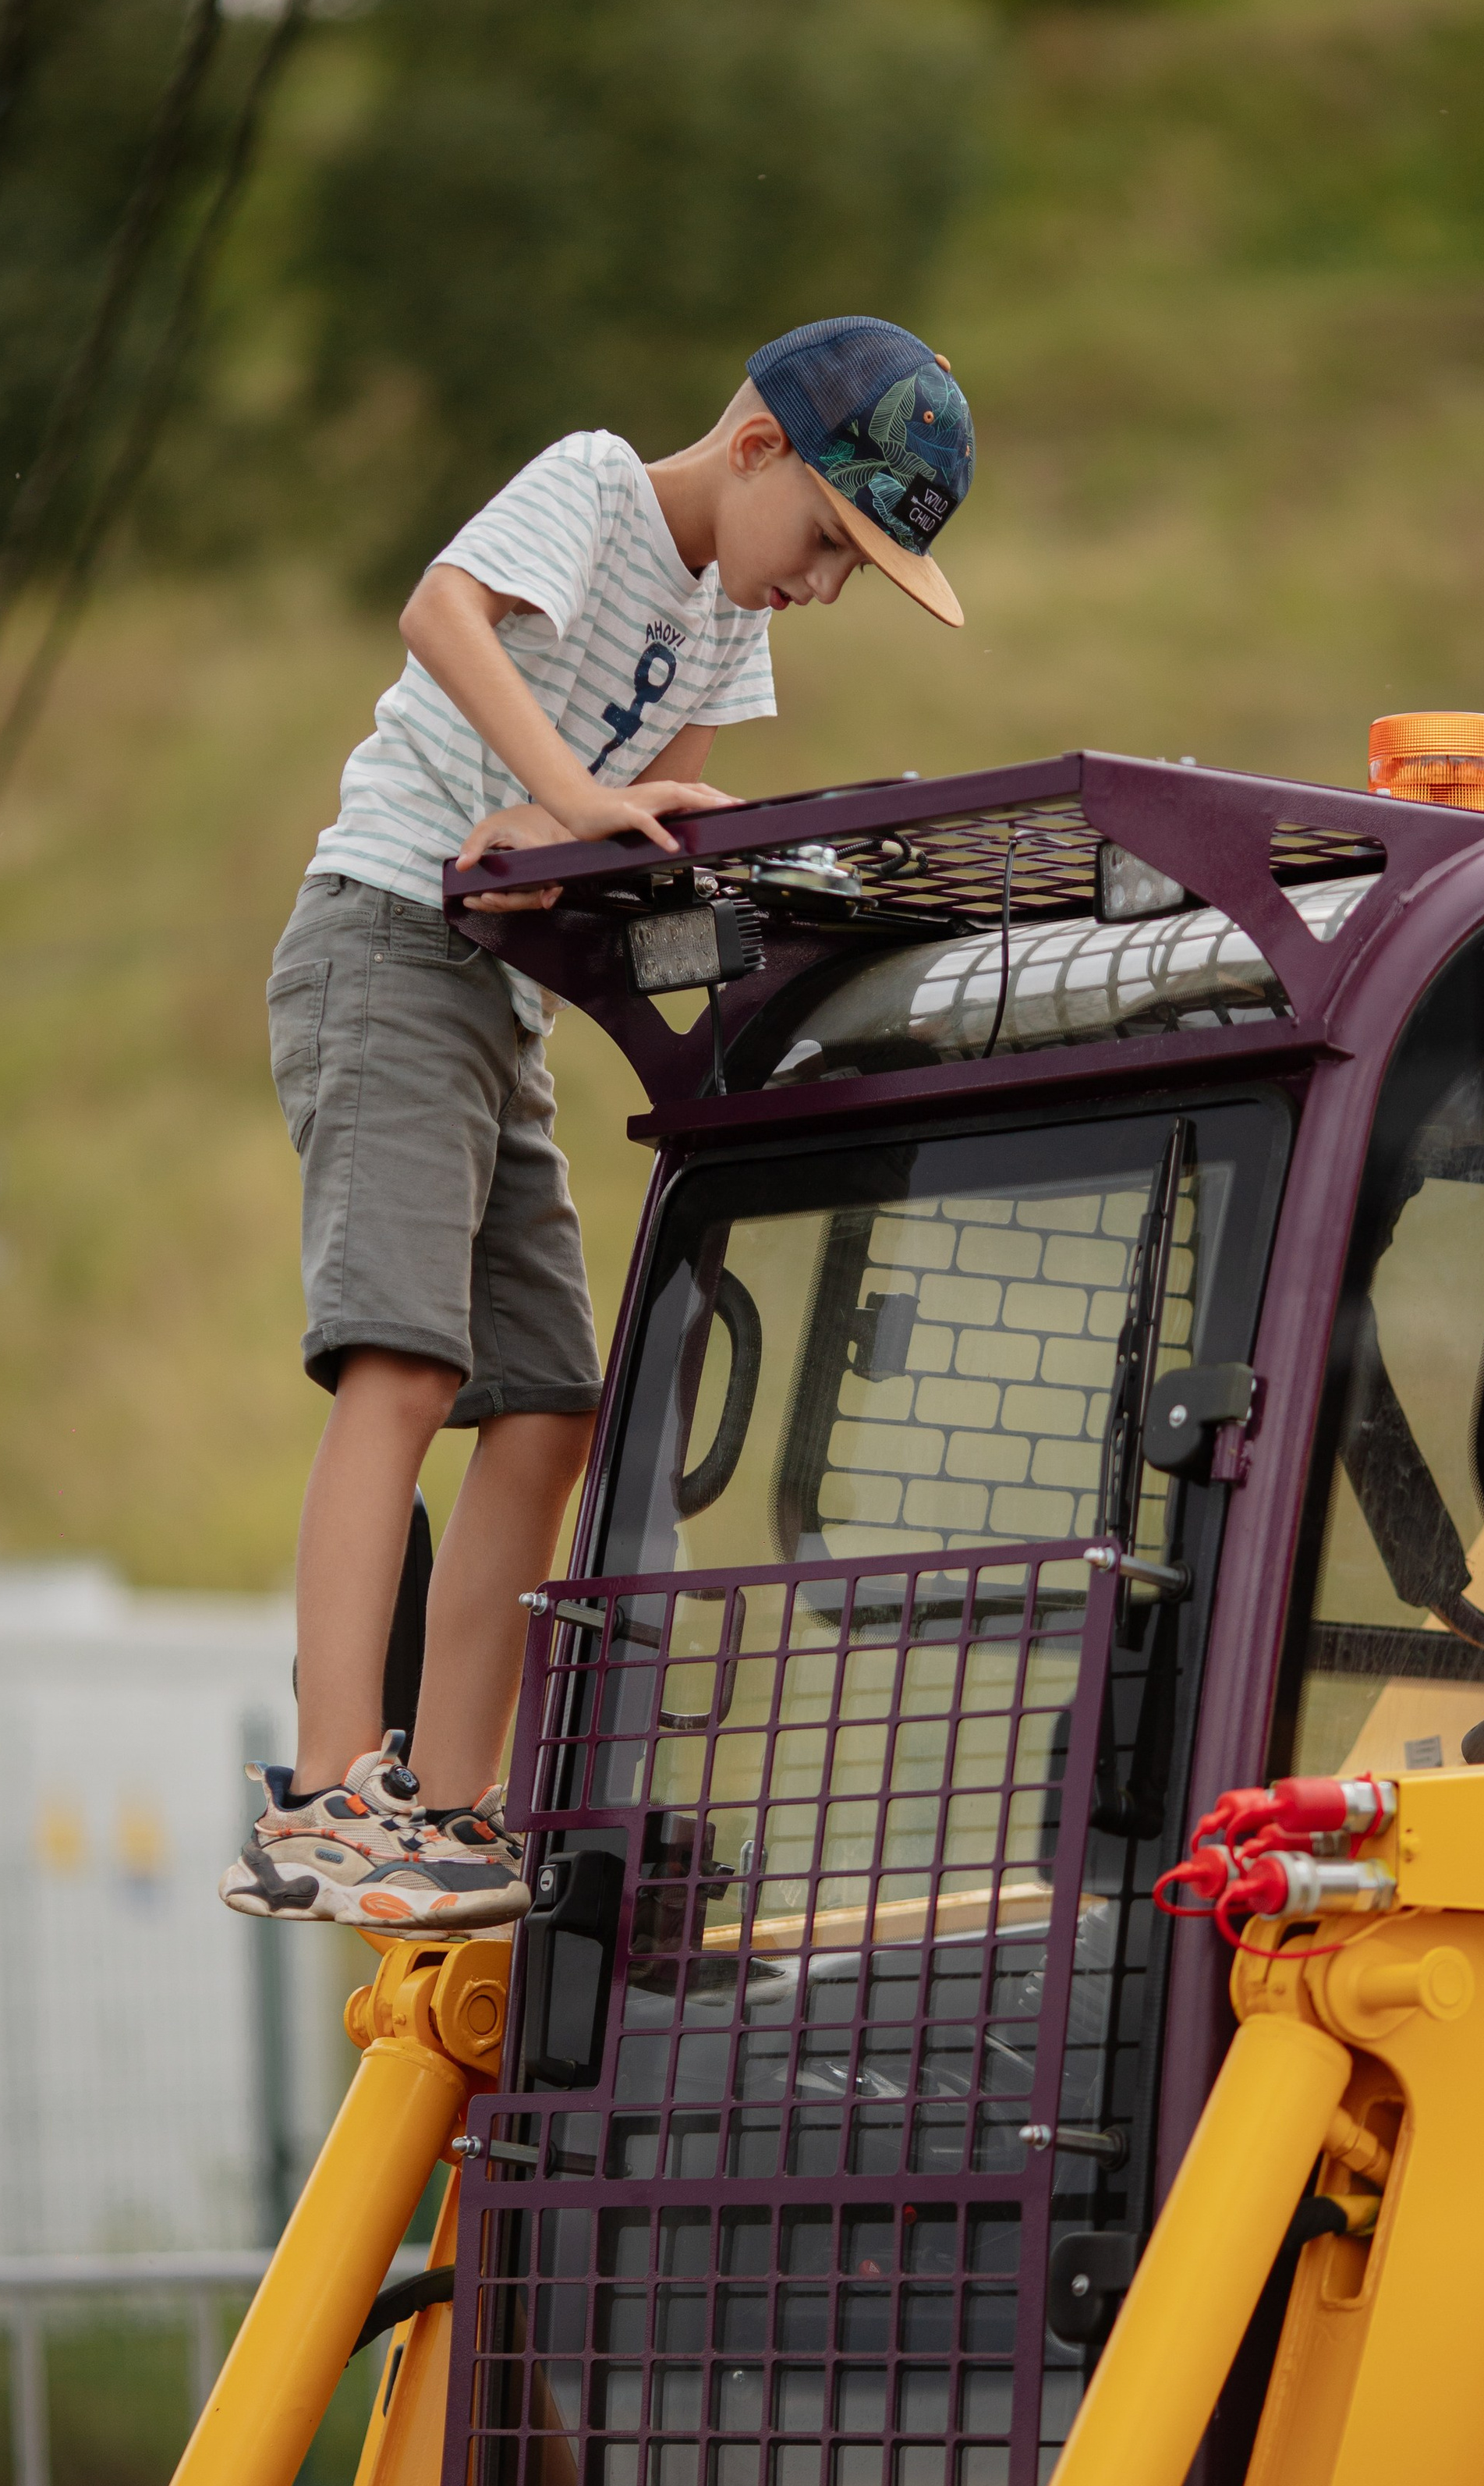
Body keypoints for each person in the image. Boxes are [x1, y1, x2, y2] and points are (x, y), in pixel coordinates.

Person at [221, 316, 975, 1931]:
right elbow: (442, 612)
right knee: (404, 1361)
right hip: (380, 941)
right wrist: (557, 792)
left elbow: (644, 823)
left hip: (491, 989)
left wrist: (577, 831)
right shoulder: (595, 487)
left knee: (552, 1403)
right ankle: (330, 1793)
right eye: (833, 544)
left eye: (856, 574)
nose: (823, 585)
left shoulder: (725, 630)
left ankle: (450, 1805)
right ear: (760, 442)